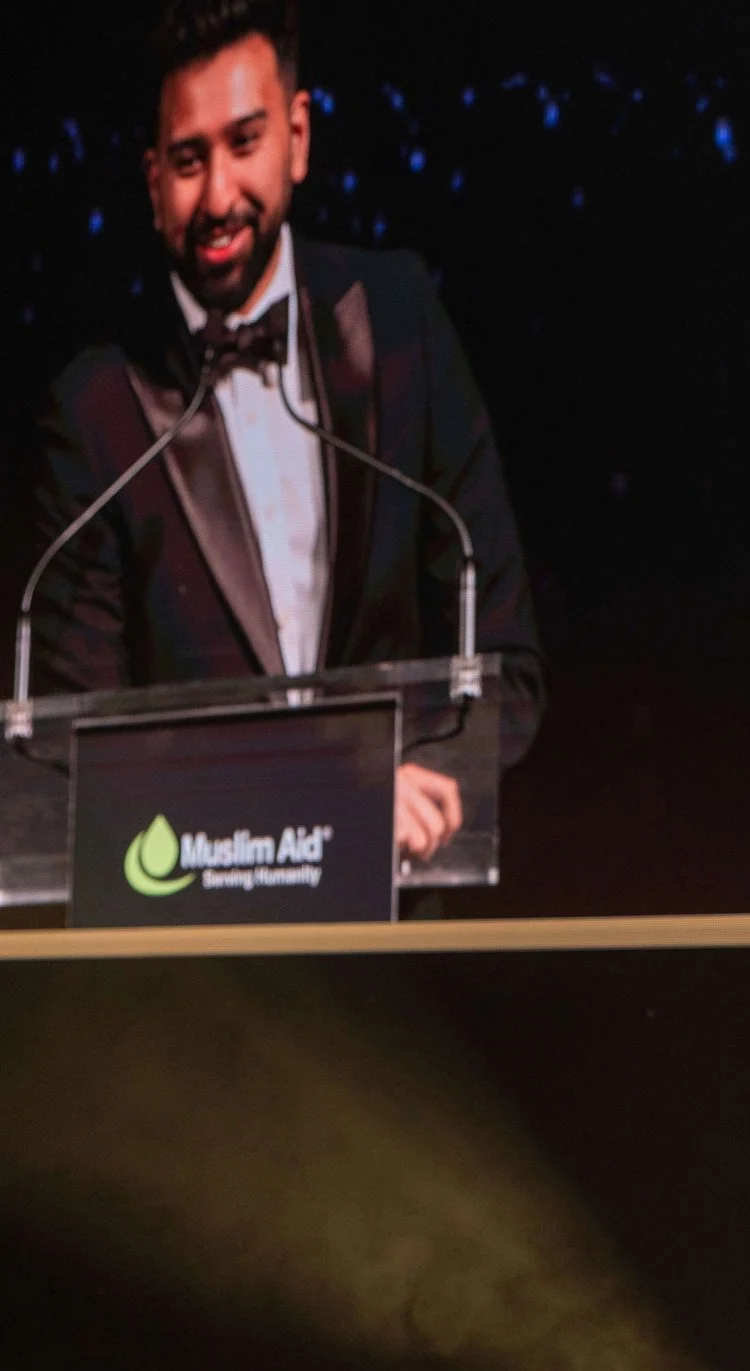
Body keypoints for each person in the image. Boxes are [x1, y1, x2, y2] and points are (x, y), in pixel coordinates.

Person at [22, 0, 542, 862]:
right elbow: (74, 748)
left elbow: (504, 666)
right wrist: (329, 795)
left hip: (399, 919)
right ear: (153, 185)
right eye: (189, 161)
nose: (219, 195)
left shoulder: (401, 316)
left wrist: (420, 788)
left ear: (298, 138)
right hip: (203, 946)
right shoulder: (94, 409)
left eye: (244, 143)